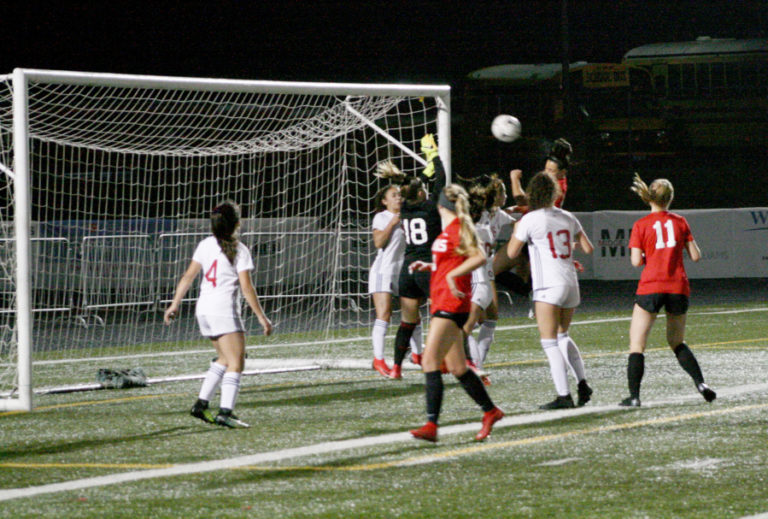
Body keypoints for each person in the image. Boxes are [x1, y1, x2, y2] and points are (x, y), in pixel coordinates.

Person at [409, 184, 505, 442]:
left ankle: (431, 425)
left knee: (429, 362)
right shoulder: (449, 231)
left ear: (441, 206)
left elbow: (479, 257)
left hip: (451, 304)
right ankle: (491, 411)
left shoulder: (459, 228)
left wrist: (451, 275)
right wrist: (430, 266)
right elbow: (451, 261)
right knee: (457, 367)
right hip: (443, 300)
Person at [164, 201, 273, 428]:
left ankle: (201, 404)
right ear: (236, 224)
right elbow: (247, 288)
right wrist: (262, 317)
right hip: (223, 311)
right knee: (236, 363)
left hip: (203, 310)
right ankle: (225, 412)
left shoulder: (205, 245)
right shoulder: (239, 250)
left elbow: (187, 277)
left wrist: (174, 304)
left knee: (224, 359)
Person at [619, 174, 716, 407]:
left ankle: (634, 397)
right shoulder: (680, 221)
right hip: (677, 286)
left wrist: (647, 256)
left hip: (651, 286)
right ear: (670, 199)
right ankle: (701, 383)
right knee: (677, 342)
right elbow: (695, 256)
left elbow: (634, 262)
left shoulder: (641, 224)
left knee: (637, 345)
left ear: (650, 197)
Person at [507, 172, 594, 409]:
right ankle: (583, 383)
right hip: (570, 283)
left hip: (548, 285)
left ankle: (564, 395)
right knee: (562, 336)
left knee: (549, 342)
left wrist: (518, 230)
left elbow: (512, 254)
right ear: (555, 193)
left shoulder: (531, 219)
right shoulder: (568, 216)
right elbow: (588, 248)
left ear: (532, 194)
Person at [384, 134, 445, 379]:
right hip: (428, 267)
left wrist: (422, 175)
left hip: (407, 269)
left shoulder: (405, 208)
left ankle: (396, 368)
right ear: (421, 194)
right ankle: (448, 362)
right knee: (444, 318)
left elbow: (416, 185)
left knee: (407, 323)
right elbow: (442, 179)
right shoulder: (431, 208)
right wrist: (434, 156)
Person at [495, 138, 576, 312]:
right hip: (530, 231)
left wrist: (514, 179)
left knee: (491, 270)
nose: (547, 173)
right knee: (495, 271)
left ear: (562, 173)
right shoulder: (551, 181)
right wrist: (517, 208)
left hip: (534, 234)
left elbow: (522, 197)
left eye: (551, 171)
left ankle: (531, 293)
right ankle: (530, 291)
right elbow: (531, 204)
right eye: (546, 169)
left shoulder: (557, 188)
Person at [368, 179, 405, 377]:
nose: (398, 198)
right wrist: (392, 224)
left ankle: (417, 354)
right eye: (394, 195)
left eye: (400, 194)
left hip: (402, 271)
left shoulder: (408, 216)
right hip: (383, 271)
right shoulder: (382, 217)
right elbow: (378, 242)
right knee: (384, 315)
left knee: (412, 312)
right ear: (384, 201)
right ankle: (379, 359)